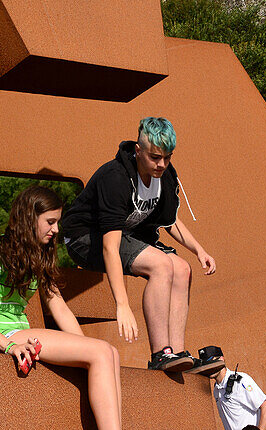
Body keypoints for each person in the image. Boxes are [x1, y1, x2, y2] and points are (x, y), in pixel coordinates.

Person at [0, 187, 165, 430]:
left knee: (107, 353)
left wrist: (85, 350)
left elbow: (58, 306)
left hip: (22, 332)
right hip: (3, 337)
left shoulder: (40, 253)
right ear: (29, 218)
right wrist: (7, 345)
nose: (56, 229)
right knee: (99, 353)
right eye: (50, 221)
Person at [59, 117, 219, 372]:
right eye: (155, 157)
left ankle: (177, 354)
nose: (161, 164)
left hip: (123, 236)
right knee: (161, 265)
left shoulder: (164, 175)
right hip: (84, 238)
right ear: (138, 150)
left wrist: (199, 250)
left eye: (167, 157)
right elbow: (110, 248)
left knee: (182, 268)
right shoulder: (116, 177)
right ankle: (160, 354)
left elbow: (170, 220)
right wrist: (122, 305)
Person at [208, 353, 266, 430]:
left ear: (221, 359)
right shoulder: (216, 390)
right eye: (206, 364)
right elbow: (229, 420)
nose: (209, 367)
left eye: (211, 361)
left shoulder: (240, 381)